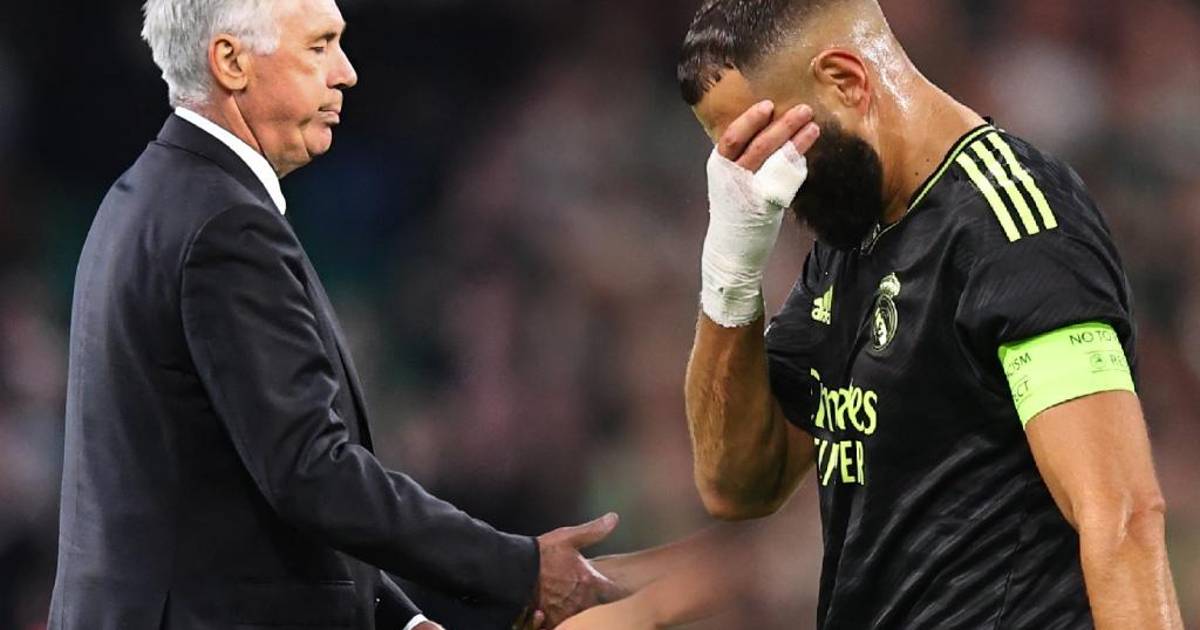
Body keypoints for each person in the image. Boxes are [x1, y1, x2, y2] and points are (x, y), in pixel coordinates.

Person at [561, 0, 1185, 628]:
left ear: (845, 80)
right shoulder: (850, 242)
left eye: (762, 143)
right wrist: (731, 269)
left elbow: (1121, 516)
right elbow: (739, 483)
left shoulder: (1013, 228)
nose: (758, 178)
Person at [48, 1, 620, 628]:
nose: (346, 72)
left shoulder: (148, 197)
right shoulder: (224, 225)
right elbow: (308, 471)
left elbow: (234, 487)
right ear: (231, 62)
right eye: (319, 46)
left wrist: (400, 620)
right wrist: (518, 568)